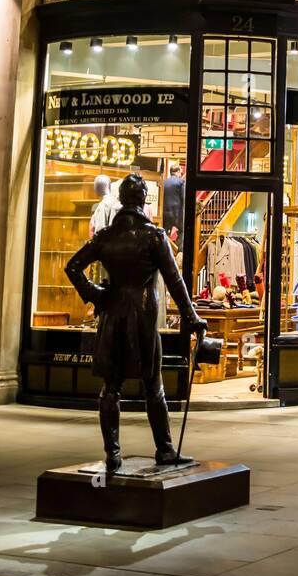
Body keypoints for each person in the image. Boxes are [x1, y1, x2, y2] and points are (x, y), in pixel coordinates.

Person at [65, 173, 207, 473]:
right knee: (152, 386)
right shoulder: (154, 236)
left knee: (111, 387)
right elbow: (174, 279)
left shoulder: (105, 236)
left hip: (112, 312)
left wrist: (96, 295)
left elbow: (73, 266)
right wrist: (190, 315)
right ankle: (165, 449)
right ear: (143, 200)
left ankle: (113, 454)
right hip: (142, 316)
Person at [162, 162, 186, 239]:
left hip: (165, 213)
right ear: (177, 172)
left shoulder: (164, 183)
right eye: (180, 172)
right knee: (183, 231)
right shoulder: (181, 182)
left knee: (164, 233)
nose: (181, 174)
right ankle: (180, 250)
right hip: (177, 214)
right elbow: (183, 197)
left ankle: (164, 248)